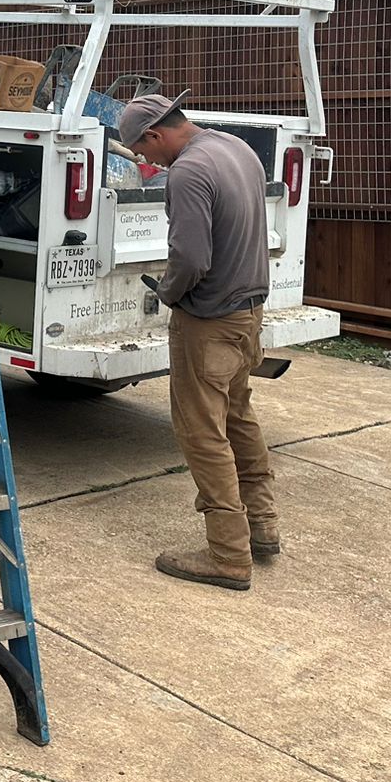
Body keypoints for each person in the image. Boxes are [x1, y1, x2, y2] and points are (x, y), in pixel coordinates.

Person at [117, 91, 277, 592]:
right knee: (238, 418)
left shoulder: (187, 172)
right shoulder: (235, 148)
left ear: (156, 134)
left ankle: (228, 555)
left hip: (207, 319)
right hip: (247, 311)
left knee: (202, 434)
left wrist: (168, 293)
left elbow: (189, 257)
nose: (146, 161)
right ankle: (262, 528)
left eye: (144, 152)